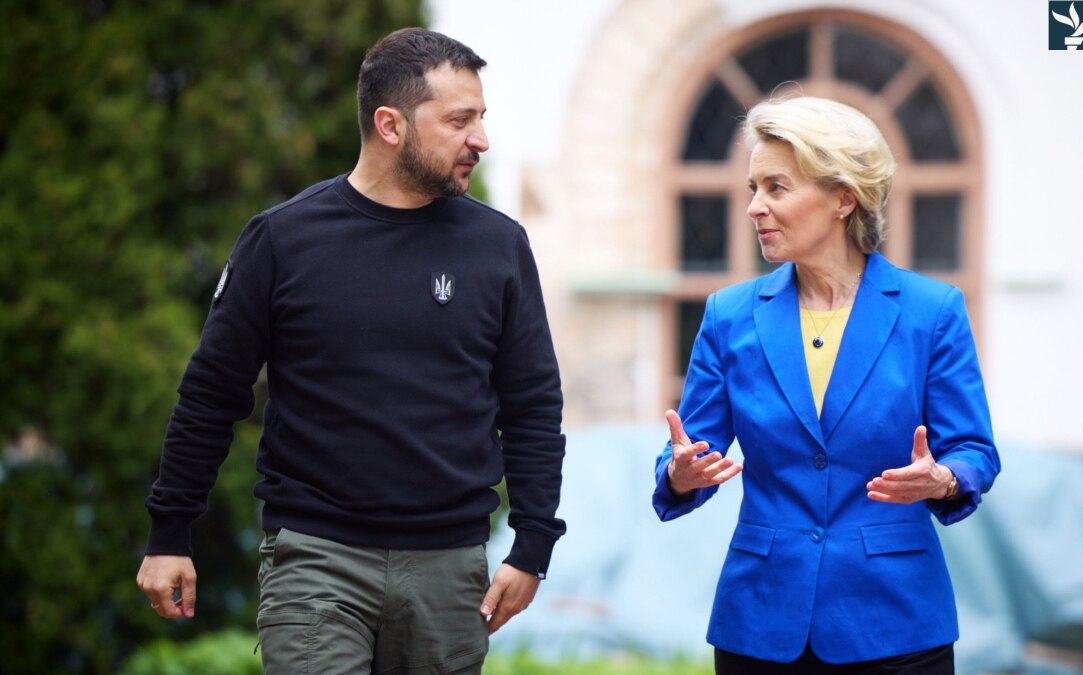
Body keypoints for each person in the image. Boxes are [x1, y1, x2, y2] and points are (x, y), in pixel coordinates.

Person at [136, 28, 567, 675]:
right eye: (459, 121)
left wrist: (533, 542)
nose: (481, 139)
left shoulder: (499, 246)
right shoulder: (283, 239)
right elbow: (212, 393)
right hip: (315, 561)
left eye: (481, 118)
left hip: (449, 569)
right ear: (390, 125)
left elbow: (532, 403)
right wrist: (169, 531)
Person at [653, 95, 1000, 673]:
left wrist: (943, 478)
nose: (755, 207)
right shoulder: (728, 316)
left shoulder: (931, 311)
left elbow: (974, 449)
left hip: (895, 625)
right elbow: (690, 449)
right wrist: (679, 473)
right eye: (753, 188)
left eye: (777, 188)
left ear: (844, 198)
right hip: (760, 623)